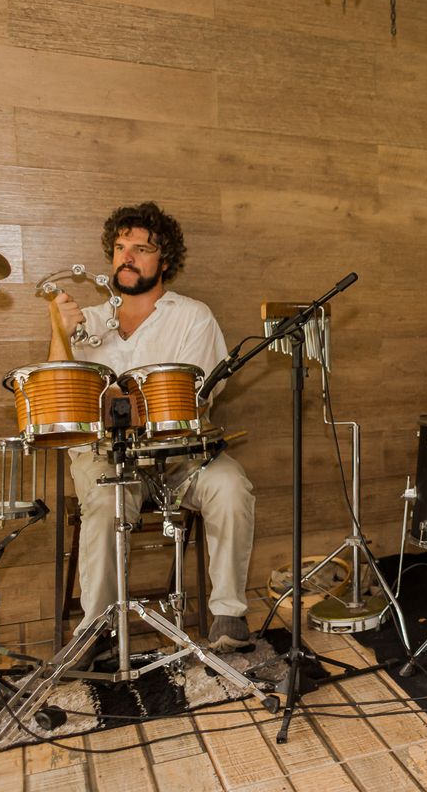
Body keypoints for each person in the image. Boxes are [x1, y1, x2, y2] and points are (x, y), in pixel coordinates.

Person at [49, 202, 256, 660]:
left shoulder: (192, 316)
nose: (128, 256)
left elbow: (189, 398)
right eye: (121, 247)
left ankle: (228, 614)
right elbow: (63, 396)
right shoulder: (89, 321)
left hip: (179, 454)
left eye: (141, 249)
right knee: (104, 499)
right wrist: (60, 332)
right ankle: (96, 627)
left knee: (230, 484)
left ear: (165, 260)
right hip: (106, 456)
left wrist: (110, 401)